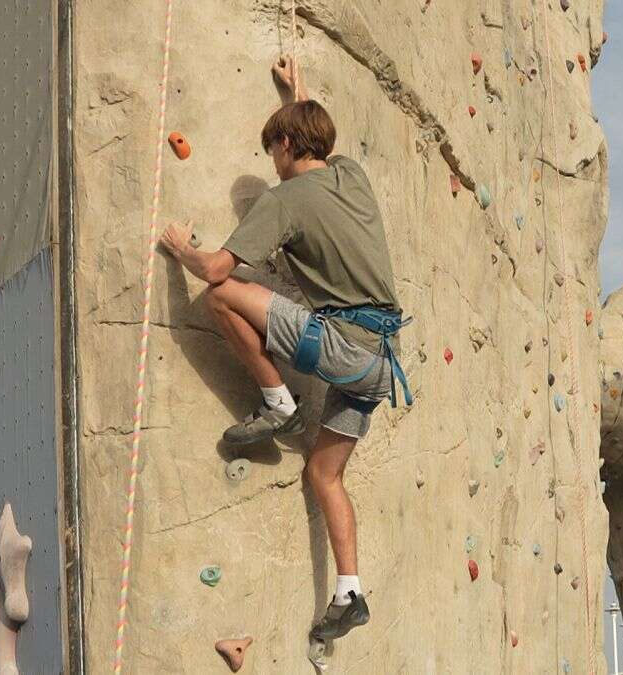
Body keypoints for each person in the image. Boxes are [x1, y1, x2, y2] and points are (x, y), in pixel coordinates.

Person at [159, 55, 412, 642]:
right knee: (325, 474)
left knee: (223, 295)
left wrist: (180, 251)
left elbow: (217, 268)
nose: (271, 159)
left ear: (289, 145)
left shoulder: (282, 200)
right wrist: (297, 92)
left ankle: (277, 403)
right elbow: (319, 138)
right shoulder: (351, 175)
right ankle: (349, 592)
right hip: (381, 364)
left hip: (344, 348)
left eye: (274, 146)